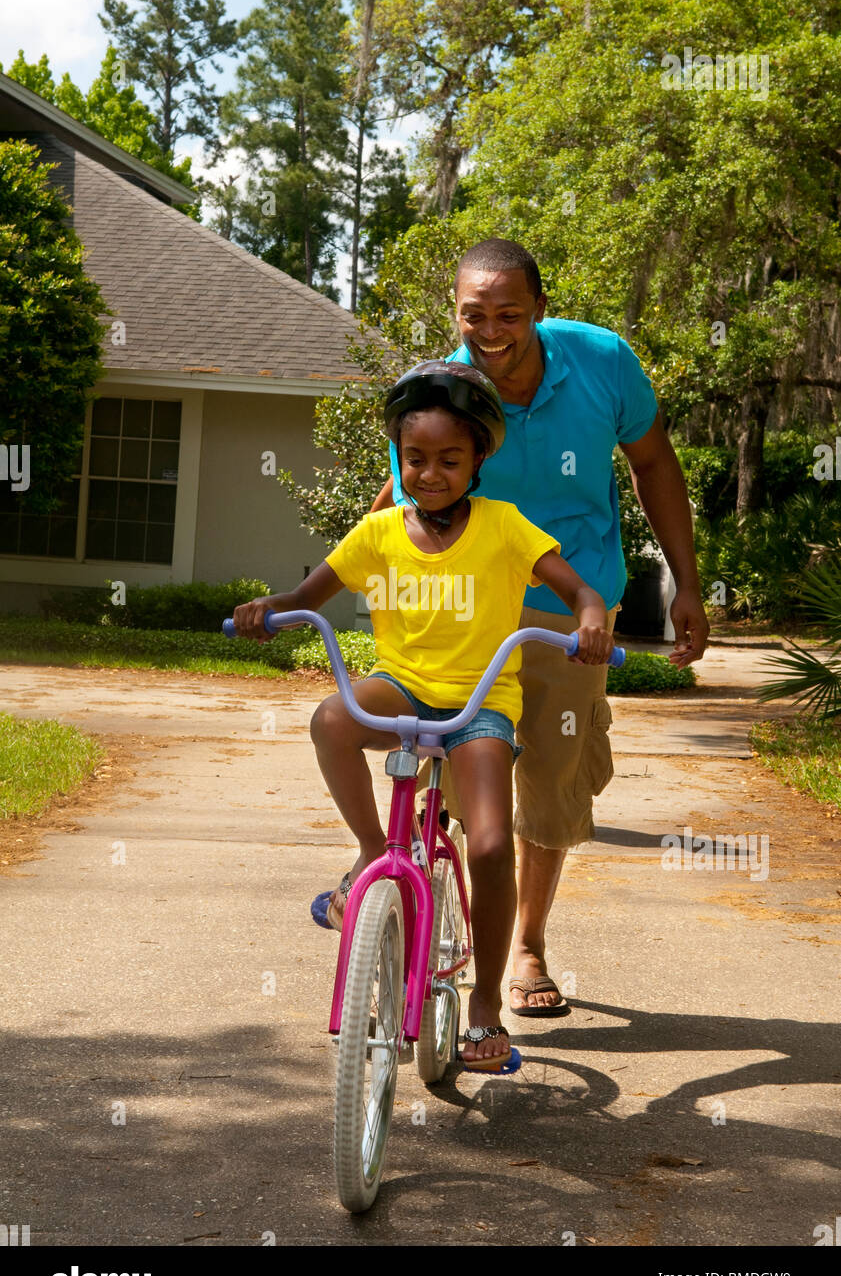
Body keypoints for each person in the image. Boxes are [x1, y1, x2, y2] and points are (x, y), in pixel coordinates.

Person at [233, 361, 616, 1069]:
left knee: (492, 846)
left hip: (479, 707)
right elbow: (305, 595)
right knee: (332, 719)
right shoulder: (377, 534)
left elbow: (576, 587)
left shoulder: (504, 527)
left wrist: (591, 617)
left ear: (477, 460)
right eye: (415, 459)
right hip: (402, 687)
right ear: (398, 459)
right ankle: (373, 852)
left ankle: (484, 1007)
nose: (430, 473)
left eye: (448, 459)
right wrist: (267, 609)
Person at [371, 239, 710, 1018]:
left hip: (570, 606)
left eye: (508, 315)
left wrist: (685, 581)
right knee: (458, 766)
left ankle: (526, 944)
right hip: (461, 608)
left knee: (551, 778)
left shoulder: (602, 361)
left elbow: (653, 463)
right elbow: (403, 509)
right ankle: (437, 908)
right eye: (472, 315)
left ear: (540, 310)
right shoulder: (436, 389)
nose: (489, 331)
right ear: (454, 313)